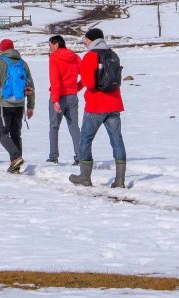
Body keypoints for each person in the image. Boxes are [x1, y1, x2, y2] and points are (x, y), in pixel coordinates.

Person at [70, 27, 126, 188]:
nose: (84, 42)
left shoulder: (90, 56)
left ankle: (84, 177)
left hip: (96, 105)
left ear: (92, 40)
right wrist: (77, 87)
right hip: (114, 104)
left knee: (85, 140)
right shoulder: (113, 55)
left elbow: (89, 82)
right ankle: (120, 180)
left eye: (86, 39)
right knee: (117, 140)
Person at [0, 38, 35, 173]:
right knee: (16, 135)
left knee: (2, 134)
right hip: (19, 104)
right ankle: (16, 166)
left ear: (2, 49)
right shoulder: (23, 63)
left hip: (4, 105)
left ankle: (16, 157)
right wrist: (31, 105)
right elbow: (30, 86)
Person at [46, 34, 82, 164]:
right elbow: (86, 75)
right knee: (74, 127)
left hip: (59, 97)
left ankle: (53, 156)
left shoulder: (54, 58)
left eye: (50, 45)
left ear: (56, 45)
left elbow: (55, 80)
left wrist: (55, 100)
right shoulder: (75, 56)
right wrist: (76, 88)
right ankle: (80, 156)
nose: (49, 48)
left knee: (54, 127)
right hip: (72, 97)